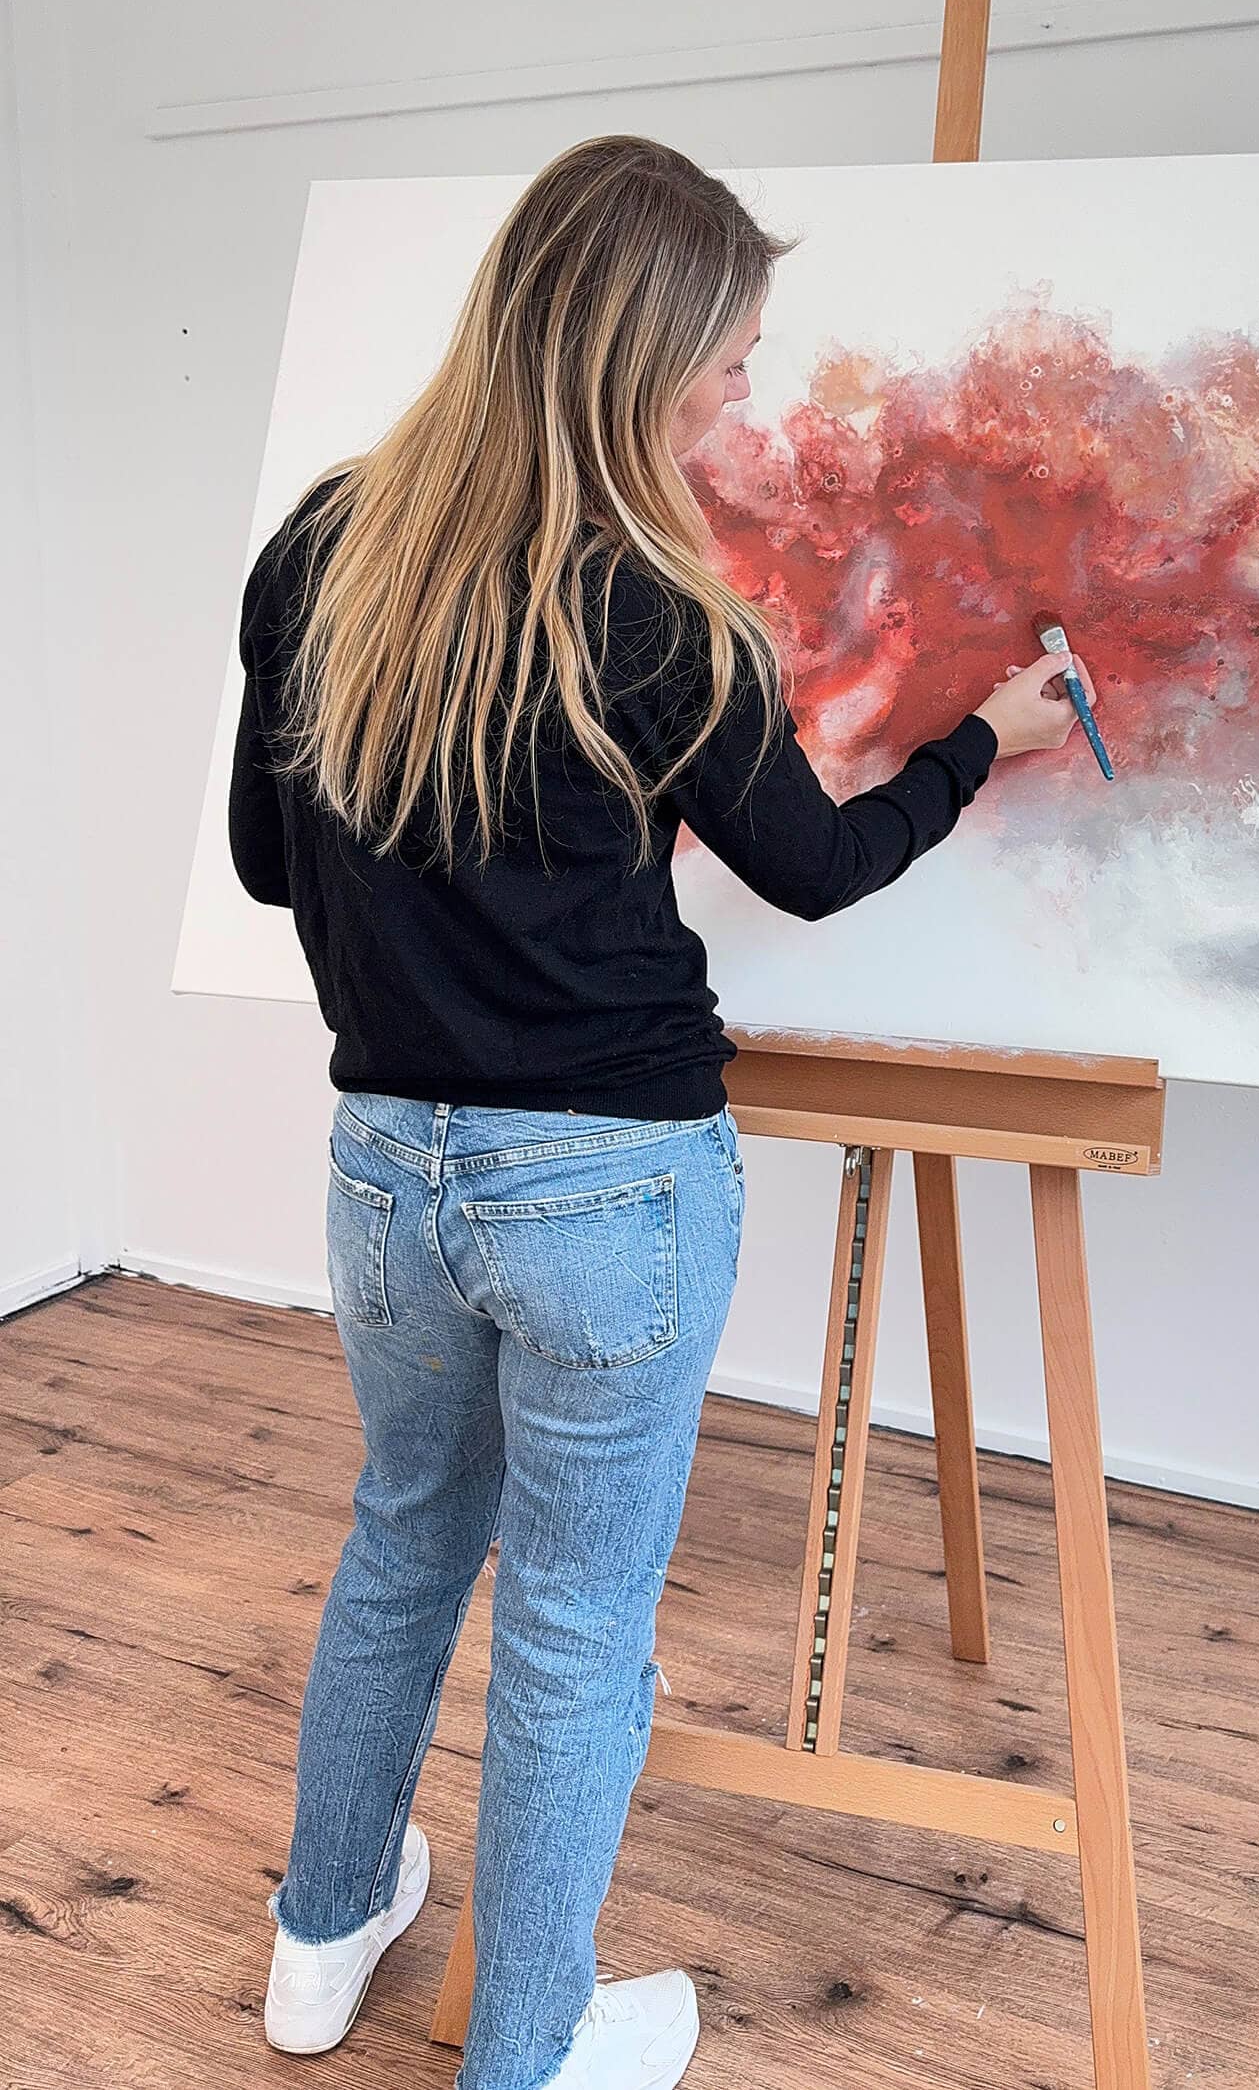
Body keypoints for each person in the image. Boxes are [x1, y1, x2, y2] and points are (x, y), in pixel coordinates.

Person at [232, 134, 1095, 2090]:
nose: (743, 395)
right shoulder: (657, 609)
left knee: (403, 1540)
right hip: (604, 1189)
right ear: (634, 358)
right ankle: (527, 2049)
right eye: (727, 360)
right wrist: (978, 740)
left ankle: (320, 1935)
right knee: (570, 1620)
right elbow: (816, 866)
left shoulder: (322, 547)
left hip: (389, 1171)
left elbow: (272, 862)